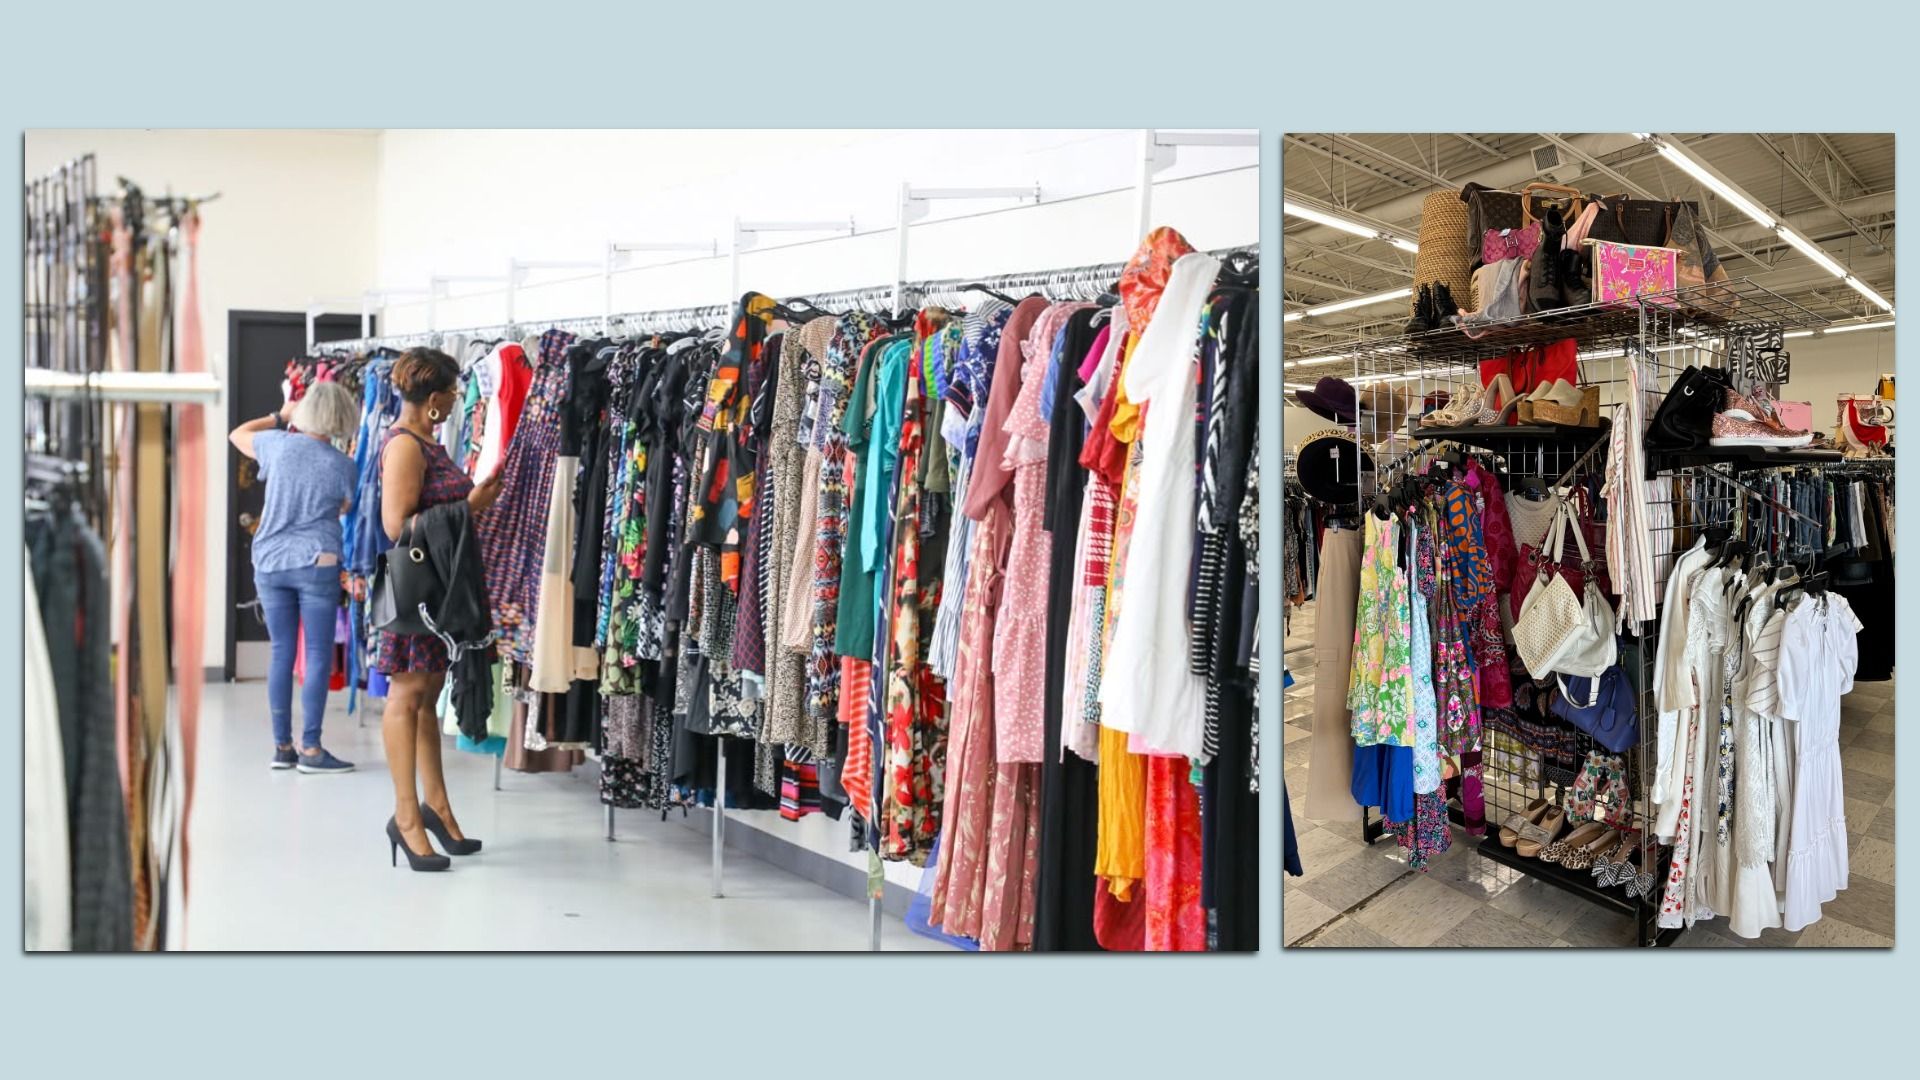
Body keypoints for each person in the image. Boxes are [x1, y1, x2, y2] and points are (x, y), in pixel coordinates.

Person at [374, 347, 504, 871]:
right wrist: (467, 508)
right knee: (406, 697)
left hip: (439, 590)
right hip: (417, 595)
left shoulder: (428, 440)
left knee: (427, 698)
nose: (456, 401)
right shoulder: (406, 447)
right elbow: (395, 527)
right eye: (452, 394)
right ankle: (406, 817)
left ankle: (438, 807)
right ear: (434, 400)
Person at [229, 380, 361, 774]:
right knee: (318, 653)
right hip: (317, 560)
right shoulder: (344, 465)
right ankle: (312, 749)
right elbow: (345, 506)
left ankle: (282, 748)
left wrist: (278, 416)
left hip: (269, 560)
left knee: (281, 652)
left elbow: (237, 434)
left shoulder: (276, 445)